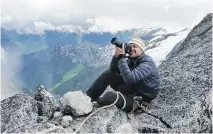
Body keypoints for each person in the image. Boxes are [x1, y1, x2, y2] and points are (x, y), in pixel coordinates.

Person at [86, 37, 160, 112]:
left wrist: (121, 57)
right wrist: (116, 56)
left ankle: (136, 106)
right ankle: (88, 99)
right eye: (130, 46)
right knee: (107, 74)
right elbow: (113, 70)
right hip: (132, 89)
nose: (131, 48)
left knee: (108, 98)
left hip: (141, 98)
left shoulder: (147, 64)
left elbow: (129, 79)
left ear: (142, 50)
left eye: (135, 46)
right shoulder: (133, 60)